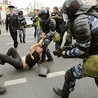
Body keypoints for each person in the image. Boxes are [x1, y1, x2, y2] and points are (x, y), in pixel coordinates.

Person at [53, 0, 98, 98]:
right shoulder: (88, 15)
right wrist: (70, 46)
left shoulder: (80, 21)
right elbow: (87, 40)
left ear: (71, 10)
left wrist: (64, 53)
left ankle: (64, 94)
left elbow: (82, 51)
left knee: (70, 74)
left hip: (96, 58)